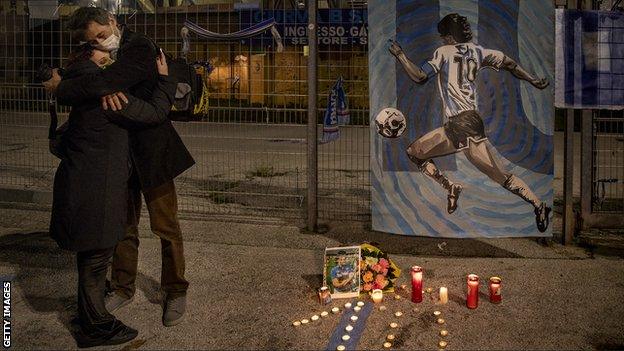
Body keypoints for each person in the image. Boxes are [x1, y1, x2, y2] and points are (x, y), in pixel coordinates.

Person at [43, 7, 194, 326]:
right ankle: (123, 287)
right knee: (123, 227)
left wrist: (64, 88)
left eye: (102, 34)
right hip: (118, 156)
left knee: (166, 226)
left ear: (113, 21)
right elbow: (87, 77)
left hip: (153, 152)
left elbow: (107, 81)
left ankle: (176, 290)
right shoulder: (93, 53)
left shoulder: (139, 46)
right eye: (93, 40)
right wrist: (90, 83)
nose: (100, 42)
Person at [49, 46, 176, 347]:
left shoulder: (78, 84)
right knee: (95, 261)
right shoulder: (108, 97)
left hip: (78, 184)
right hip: (97, 190)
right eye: (101, 51)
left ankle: (90, 315)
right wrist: (165, 79)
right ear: (90, 57)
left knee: (89, 258)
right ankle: (96, 328)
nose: (108, 57)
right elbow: (156, 113)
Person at [388, 13, 552, 232]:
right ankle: (451, 187)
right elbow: (510, 64)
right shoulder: (480, 51)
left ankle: (539, 204)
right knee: (415, 151)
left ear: (448, 37)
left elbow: (419, 76)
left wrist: (400, 56)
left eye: (443, 36)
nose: (442, 40)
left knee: (500, 176)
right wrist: (532, 79)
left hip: (464, 124)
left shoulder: (443, 52)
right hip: (458, 125)